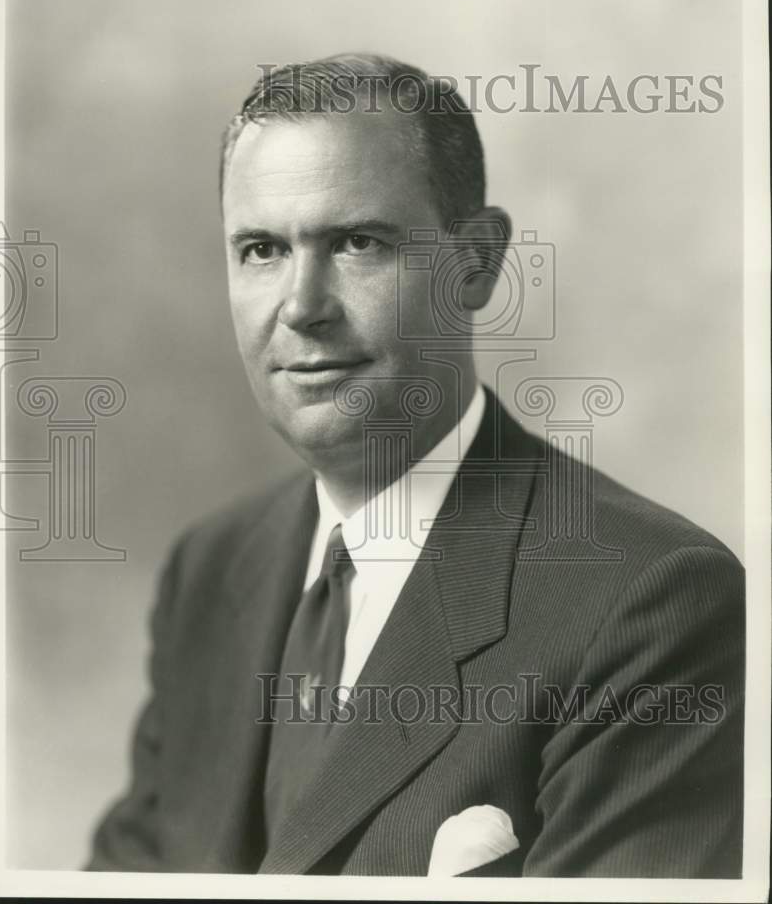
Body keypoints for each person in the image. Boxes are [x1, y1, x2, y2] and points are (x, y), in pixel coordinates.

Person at [87, 54, 745, 877]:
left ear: (477, 263)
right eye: (261, 249)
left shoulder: (650, 607)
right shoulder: (209, 573)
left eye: (358, 242)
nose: (301, 307)